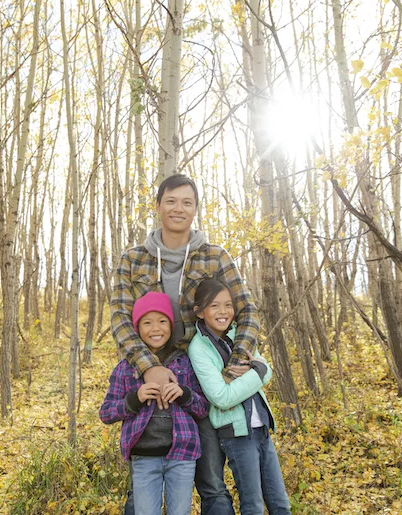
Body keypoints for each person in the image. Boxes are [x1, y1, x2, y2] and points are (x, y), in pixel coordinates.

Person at [111, 174, 260, 515]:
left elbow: (246, 308)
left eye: (187, 202)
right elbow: (120, 318)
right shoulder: (133, 260)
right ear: (159, 205)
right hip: (147, 377)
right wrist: (149, 368)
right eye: (171, 201)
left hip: (200, 380)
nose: (179, 208)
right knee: (142, 487)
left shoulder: (215, 256)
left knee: (211, 482)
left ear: (195, 209)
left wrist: (236, 358)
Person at [188, 279, 291, 515]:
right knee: (253, 504)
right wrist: (257, 372)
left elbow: (267, 369)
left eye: (227, 305)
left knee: (280, 504)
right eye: (214, 306)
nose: (223, 312)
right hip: (236, 435)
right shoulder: (199, 348)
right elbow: (222, 398)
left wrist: (258, 370)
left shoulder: (238, 335)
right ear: (200, 311)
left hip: (262, 427)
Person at [100, 292, 208, 515]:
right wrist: (135, 399)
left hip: (182, 455)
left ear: (171, 325)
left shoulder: (184, 362)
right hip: (144, 457)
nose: (155, 328)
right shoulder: (126, 368)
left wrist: (184, 394)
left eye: (162, 321)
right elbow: (106, 413)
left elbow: (203, 407)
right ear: (137, 328)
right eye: (147, 323)